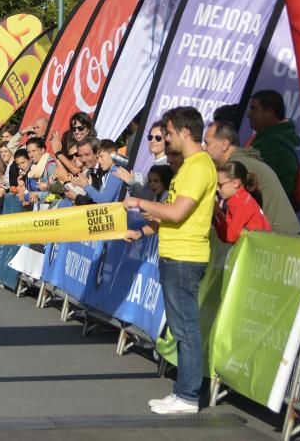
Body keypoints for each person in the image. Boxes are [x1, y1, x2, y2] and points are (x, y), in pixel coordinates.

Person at [124, 106, 216, 415]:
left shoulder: (199, 166)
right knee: (182, 327)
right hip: (175, 254)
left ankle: (187, 395)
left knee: (185, 329)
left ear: (186, 132)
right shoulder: (190, 166)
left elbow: (176, 212)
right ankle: (184, 393)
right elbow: (169, 215)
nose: (167, 139)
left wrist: (139, 202)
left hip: (184, 257)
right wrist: (142, 232)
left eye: (171, 133)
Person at [203, 120, 300, 235]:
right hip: (276, 234)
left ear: (225, 144)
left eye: (207, 143)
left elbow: (232, 231)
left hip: (279, 237)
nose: (203, 148)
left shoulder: (239, 166)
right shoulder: (240, 163)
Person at [246, 89, 300, 199]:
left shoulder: (273, 145)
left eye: (254, 109)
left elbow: (240, 176)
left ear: (270, 112)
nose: (249, 114)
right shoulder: (267, 138)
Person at [214, 160, 271, 244]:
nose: (217, 189)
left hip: (261, 247)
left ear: (236, 183)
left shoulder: (242, 202)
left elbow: (230, 236)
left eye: (220, 185)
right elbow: (227, 232)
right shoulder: (236, 200)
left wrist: (217, 214)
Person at [115, 121, 167, 199]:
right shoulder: (157, 164)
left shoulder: (164, 166)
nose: (153, 141)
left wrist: (130, 181)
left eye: (158, 138)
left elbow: (149, 197)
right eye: (150, 137)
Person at [78, 139, 124, 204]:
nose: (99, 161)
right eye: (98, 157)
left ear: (113, 154)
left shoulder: (115, 173)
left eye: (101, 156)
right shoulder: (109, 172)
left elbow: (103, 200)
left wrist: (86, 186)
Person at [25, 137, 56, 206]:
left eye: (34, 151)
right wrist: (27, 196)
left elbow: (57, 193)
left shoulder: (51, 165)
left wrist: (38, 195)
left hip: (52, 210)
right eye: (29, 152)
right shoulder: (34, 167)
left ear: (42, 150)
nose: (31, 155)